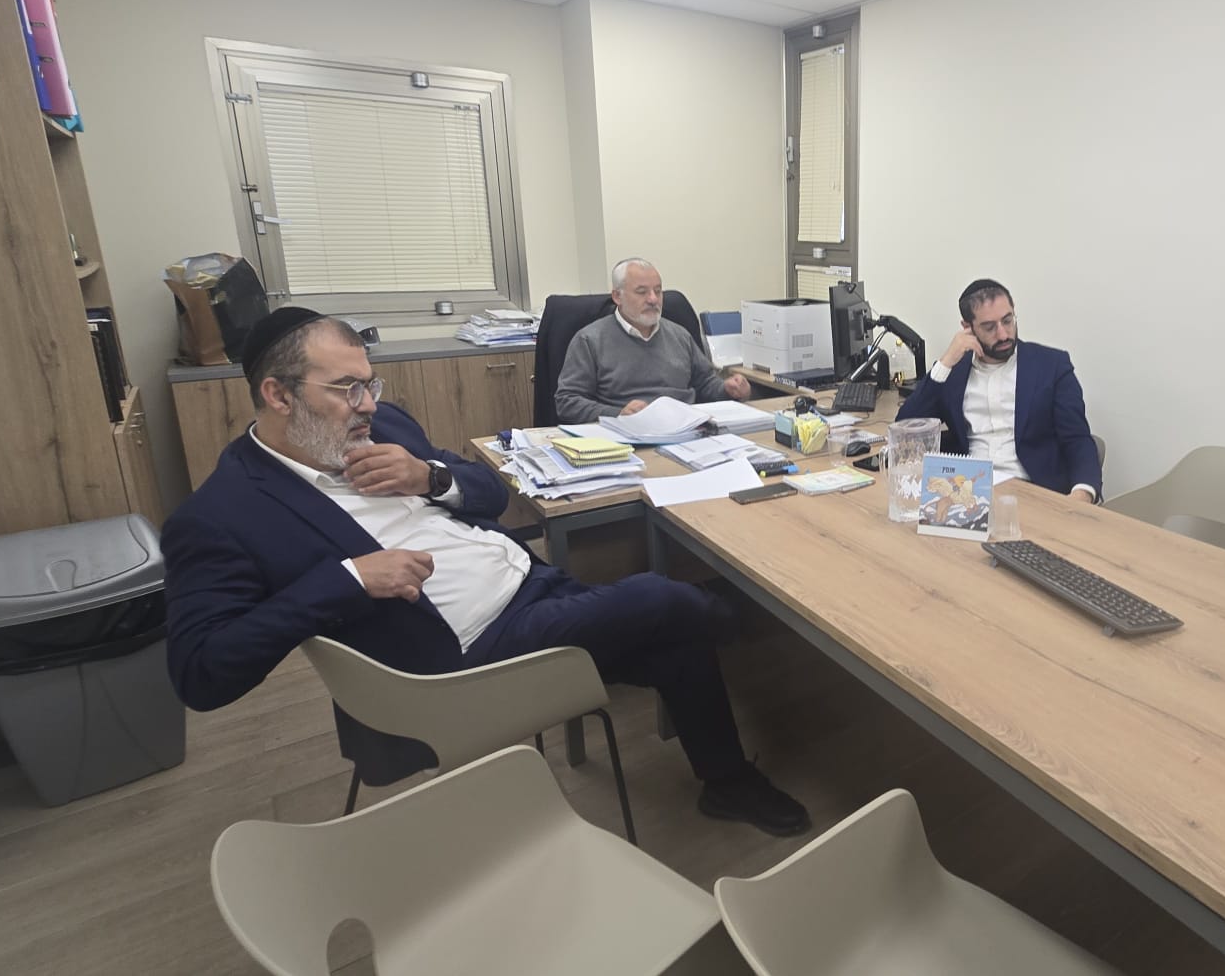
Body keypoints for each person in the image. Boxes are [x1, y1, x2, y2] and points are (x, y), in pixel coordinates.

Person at [161, 308, 809, 836]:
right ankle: (744, 619)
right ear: (278, 395)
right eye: (345, 389)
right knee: (659, 598)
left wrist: (430, 477)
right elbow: (202, 673)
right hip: (466, 660)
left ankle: (727, 782)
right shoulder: (224, 514)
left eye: (370, 384)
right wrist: (350, 579)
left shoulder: (384, 425)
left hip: (533, 586)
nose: (367, 406)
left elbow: (492, 494)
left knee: (674, 633)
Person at [896, 279, 1102, 502]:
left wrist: (1082, 494)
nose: (1003, 334)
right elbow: (905, 429)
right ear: (967, 328)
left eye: (1007, 321)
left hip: (1032, 492)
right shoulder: (954, 371)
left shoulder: (1051, 366)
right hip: (967, 492)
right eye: (989, 327)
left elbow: (1077, 439)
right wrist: (945, 362)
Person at [553, 257, 752, 424]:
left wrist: (728, 389)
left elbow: (706, 384)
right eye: (642, 292)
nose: (653, 299)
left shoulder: (679, 335)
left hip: (684, 429)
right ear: (617, 296)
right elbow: (567, 402)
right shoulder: (590, 340)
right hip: (626, 434)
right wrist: (617, 413)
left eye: (658, 291)